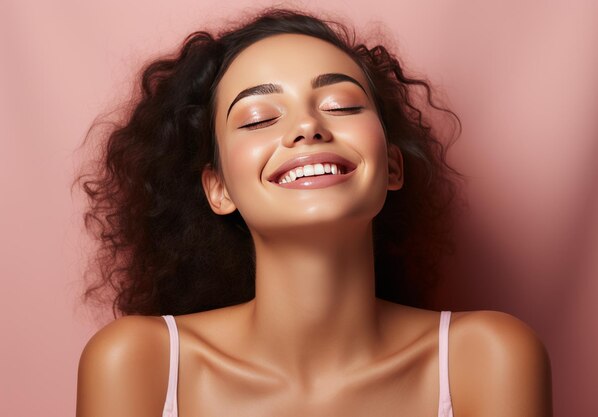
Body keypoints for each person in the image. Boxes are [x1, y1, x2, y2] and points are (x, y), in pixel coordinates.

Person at [75, 8, 552, 417]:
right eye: (260, 117)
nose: (307, 126)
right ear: (218, 189)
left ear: (391, 166)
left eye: (341, 105)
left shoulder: (489, 358)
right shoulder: (138, 363)